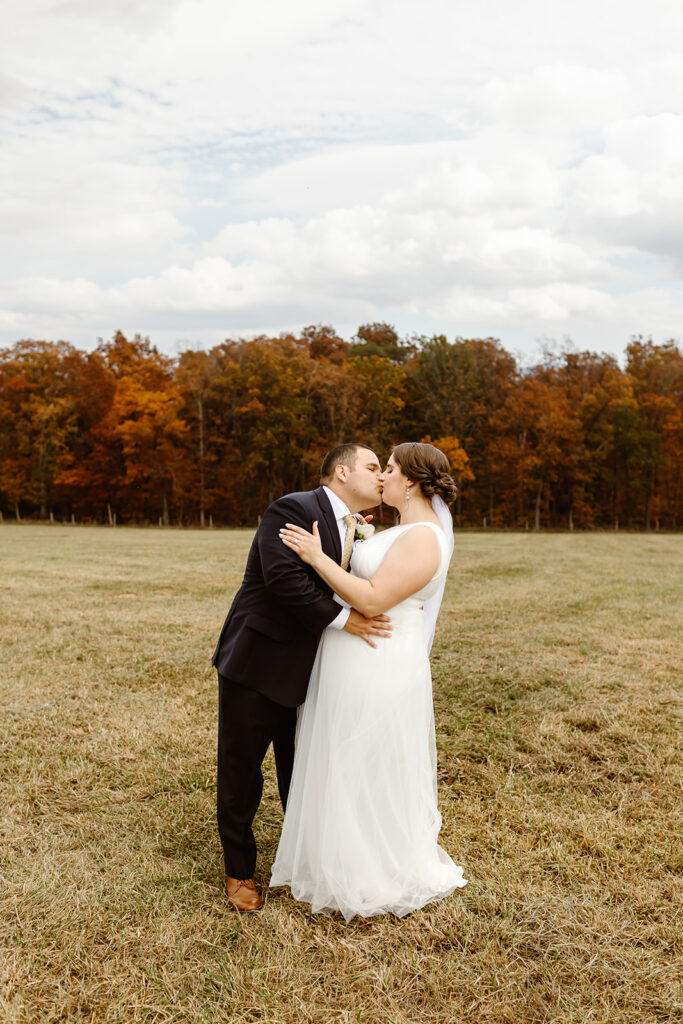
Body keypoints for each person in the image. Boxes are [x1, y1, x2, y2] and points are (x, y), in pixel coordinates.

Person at [270, 442, 467, 921]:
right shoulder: (404, 529)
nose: (384, 478)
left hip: (380, 657)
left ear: (413, 482)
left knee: (365, 757)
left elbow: (376, 600)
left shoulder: (423, 536)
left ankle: (368, 870)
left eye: (392, 469)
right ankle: (334, 855)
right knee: (345, 754)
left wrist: (319, 558)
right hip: (356, 658)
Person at [211, 443, 392, 912]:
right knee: (241, 771)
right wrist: (346, 620)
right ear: (341, 471)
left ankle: (304, 862)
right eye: (373, 467)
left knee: (303, 770)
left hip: (314, 672)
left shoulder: (357, 527)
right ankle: (239, 871)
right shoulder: (292, 508)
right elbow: (283, 580)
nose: (380, 476)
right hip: (258, 663)